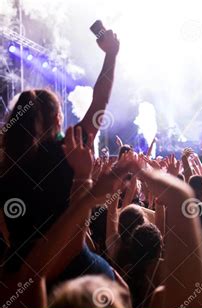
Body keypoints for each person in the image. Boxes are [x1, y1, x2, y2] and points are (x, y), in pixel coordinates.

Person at [0, 29, 120, 277]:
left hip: (19, 264)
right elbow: (100, 103)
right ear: (57, 118)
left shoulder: (6, 163)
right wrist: (111, 55)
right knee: (119, 289)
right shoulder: (68, 150)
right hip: (69, 261)